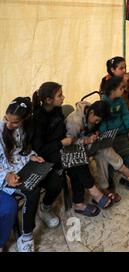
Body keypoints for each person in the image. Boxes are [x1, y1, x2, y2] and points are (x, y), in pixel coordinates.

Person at [0, 98, 45, 252]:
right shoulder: (0, 130)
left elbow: (21, 151)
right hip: (5, 175)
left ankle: (27, 233)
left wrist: (31, 156)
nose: (8, 124)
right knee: (31, 192)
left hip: (19, 169)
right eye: (6, 118)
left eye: (14, 122)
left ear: (24, 120)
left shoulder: (24, 128)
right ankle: (27, 235)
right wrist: (6, 175)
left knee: (39, 181)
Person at [32, 82, 73, 231]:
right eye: (60, 95)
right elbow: (40, 149)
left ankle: (81, 198)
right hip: (44, 157)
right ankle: (45, 208)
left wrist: (68, 138)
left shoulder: (57, 110)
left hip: (58, 150)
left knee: (78, 158)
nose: (63, 97)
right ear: (49, 100)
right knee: (57, 179)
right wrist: (61, 143)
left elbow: (60, 132)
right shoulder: (38, 119)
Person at [65, 100, 117, 215]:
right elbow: (69, 142)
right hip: (72, 149)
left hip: (84, 145)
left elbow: (91, 128)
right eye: (97, 120)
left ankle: (103, 187)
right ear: (91, 112)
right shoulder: (74, 122)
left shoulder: (90, 110)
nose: (97, 122)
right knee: (78, 165)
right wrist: (87, 140)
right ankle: (94, 194)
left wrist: (96, 133)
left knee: (103, 150)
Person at [99, 76, 129, 190]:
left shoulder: (121, 100)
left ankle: (127, 176)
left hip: (123, 132)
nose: (123, 91)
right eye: (121, 88)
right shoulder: (103, 102)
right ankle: (110, 180)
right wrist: (106, 135)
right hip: (109, 135)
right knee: (111, 157)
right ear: (113, 90)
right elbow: (102, 121)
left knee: (127, 153)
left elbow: (125, 115)